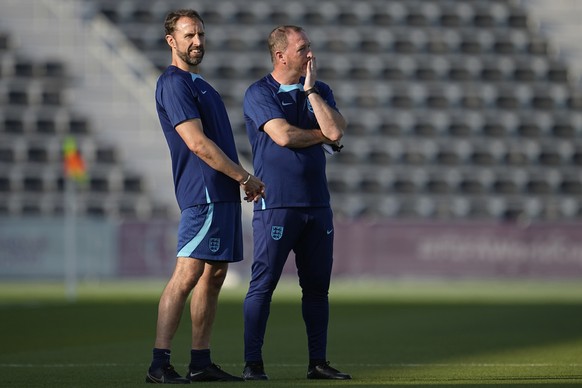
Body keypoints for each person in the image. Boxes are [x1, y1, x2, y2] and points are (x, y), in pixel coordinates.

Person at [145, 9, 264, 384]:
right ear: (171, 41)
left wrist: (236, 181)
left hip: (222, 193)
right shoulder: (173, 83)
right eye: (189, 35)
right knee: (187, 273)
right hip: (204, 194)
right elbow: (197, 144)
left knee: (213, 275)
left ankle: (200, 362)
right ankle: (159, 364)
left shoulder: (201, 85)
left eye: (200, 35)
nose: (197, 42)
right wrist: (244, 176)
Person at [241, 25, 351, 380]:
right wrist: (322, 136)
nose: (310, 54)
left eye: (310, 47)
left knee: (318, 288)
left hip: (317, 206)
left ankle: (317, 363)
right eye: (303, 48)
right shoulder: (259, 92)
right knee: (264, 285)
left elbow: (338, 131)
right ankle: (253, 364)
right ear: (281, 55)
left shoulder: (320, 90)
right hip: (277, 204)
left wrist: (310, 93)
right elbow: (284, 136)